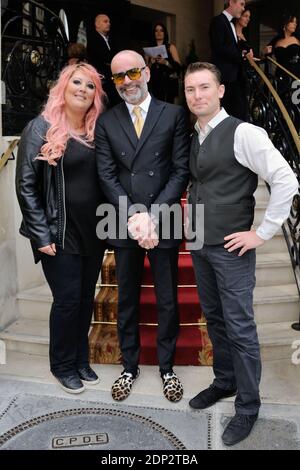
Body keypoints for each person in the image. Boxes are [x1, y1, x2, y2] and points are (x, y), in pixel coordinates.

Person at [184, 61, 298, 446]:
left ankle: (248, 406)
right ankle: (225, 381)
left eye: (204, 87)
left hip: (232, 250)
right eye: (190, 89)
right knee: (215, 320)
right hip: (201, 244)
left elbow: (286, 179)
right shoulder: (195, 134)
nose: (196, 95)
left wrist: (261, 233)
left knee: (240, 327)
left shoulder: (244, 132)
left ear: (220, 91)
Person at [95, 50, 190, 403]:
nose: (127, 82)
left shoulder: (174, 114)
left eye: (132, 72)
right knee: (127, 300)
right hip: (123, 222)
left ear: (146, 73)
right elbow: (106, 173)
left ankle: (167, 368)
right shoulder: (107, 121)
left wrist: (152, 215)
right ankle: (129, 366)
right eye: (119, 77)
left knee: (167, 300)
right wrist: (136, 217)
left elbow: (180, 170)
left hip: (162, 219)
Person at [16, 63, 107, 394]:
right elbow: (26, 185)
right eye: (77, 82)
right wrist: (41, 235)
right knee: (67, 300)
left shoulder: (98, 129)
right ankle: (62, 365)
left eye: (91, 85)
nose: (83, 89)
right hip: (58, 232)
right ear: (64, 87)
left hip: (93, 232)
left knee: (85, 300)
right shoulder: (40, 128)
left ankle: (81, 359)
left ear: (96, 94)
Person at [209, 0, 250, 120]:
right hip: (225, 78)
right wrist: (241, 55)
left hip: (235, 79)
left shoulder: (231, 24)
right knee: (225, 116)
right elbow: (219, 48)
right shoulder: (218, 21)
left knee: (238, 115)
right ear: (232, 2)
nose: (243, 8)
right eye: (241, 4)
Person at [87, 13, 120, 106]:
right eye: (105, 21)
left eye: (109, 22)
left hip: (112, 81)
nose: (109, 24)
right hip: (101, 81)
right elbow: (102, 58)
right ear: (97, 24)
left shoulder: (111, 40)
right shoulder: (92, 39)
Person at [146, 22, 181, 103]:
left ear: (165, 33)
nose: (158, 33)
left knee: (167, 106)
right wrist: (151, 62)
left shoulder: (170, 47)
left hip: (167, 82)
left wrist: (166, 62)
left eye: (161, 30)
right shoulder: (149, 48)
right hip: (154, 82)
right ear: (153, 33)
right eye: (156, 31)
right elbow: (145, 69)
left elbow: (179, 66)